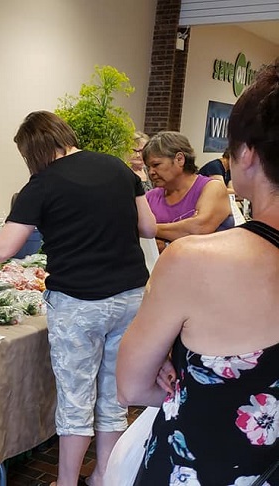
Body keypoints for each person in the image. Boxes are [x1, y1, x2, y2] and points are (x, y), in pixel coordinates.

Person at [0, 111, 156, 486]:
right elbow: (148, 226)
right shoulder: (120, 169)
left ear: (33, 151)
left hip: (78, 304)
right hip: (131, 298)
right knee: (113, 395)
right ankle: (104, 476)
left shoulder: (41, 185)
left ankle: (67, 483)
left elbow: (2, 249)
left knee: (75, 399)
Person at [117, 59, 279, 485]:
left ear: (246, 154)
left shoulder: (193, 260)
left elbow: (132, 388)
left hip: (204, 466)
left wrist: (187, 379)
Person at [143, 131, 233, 251]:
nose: (151, 172)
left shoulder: (212, 188)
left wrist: (152, 230)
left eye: (156, 165)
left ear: (180, 159)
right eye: (148, 167)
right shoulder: (150, 197)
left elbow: (198, 228)